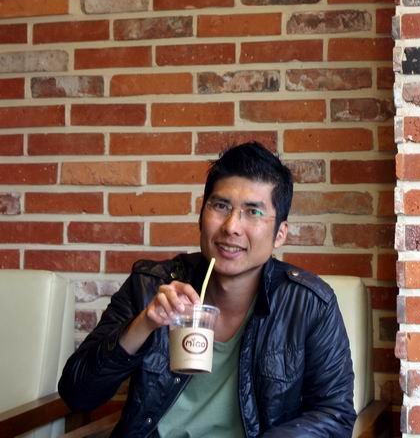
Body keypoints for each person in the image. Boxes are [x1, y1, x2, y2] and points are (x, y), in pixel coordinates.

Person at [59, 141, 356, 437]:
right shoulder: (150, 285)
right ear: (201, 216)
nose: (231, 226)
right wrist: (144, 324)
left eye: (253, 212)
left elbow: (334, 414)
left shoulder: (309, 304)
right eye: (221, 206)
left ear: (280, 234)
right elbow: (77, 394)